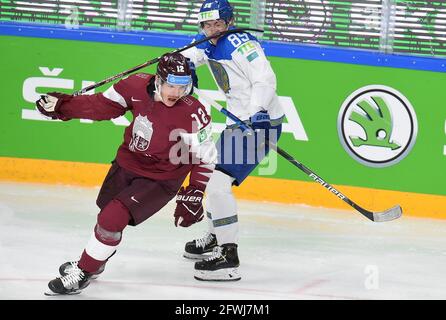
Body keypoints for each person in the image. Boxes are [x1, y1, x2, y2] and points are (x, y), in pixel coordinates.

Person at [36, 52, 217, 295]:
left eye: (183, 87)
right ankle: (96, 261)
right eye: (171, 86)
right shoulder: (134, 86)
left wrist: (194, 191)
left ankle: (83, 272)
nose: (176, 93)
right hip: (127, 163)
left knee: (112, 217)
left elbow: (205, 156)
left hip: (161, 177)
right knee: (107, 219)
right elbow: (101, 106)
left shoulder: (193, 112)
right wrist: (63, 105)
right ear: (159, 80)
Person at [181, 0, 285, 281]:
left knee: (217, 183)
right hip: (237, 122)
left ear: (229, 22)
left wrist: (259, 111)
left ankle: (229, 255)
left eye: (217, 24)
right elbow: (189, 57)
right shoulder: (207, 41)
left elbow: (265, 78)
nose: (212, 30)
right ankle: (216, 237)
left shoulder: (242, 45)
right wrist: (178, 64)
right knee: (213, 179)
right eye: (206, 24)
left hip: (258, 123)